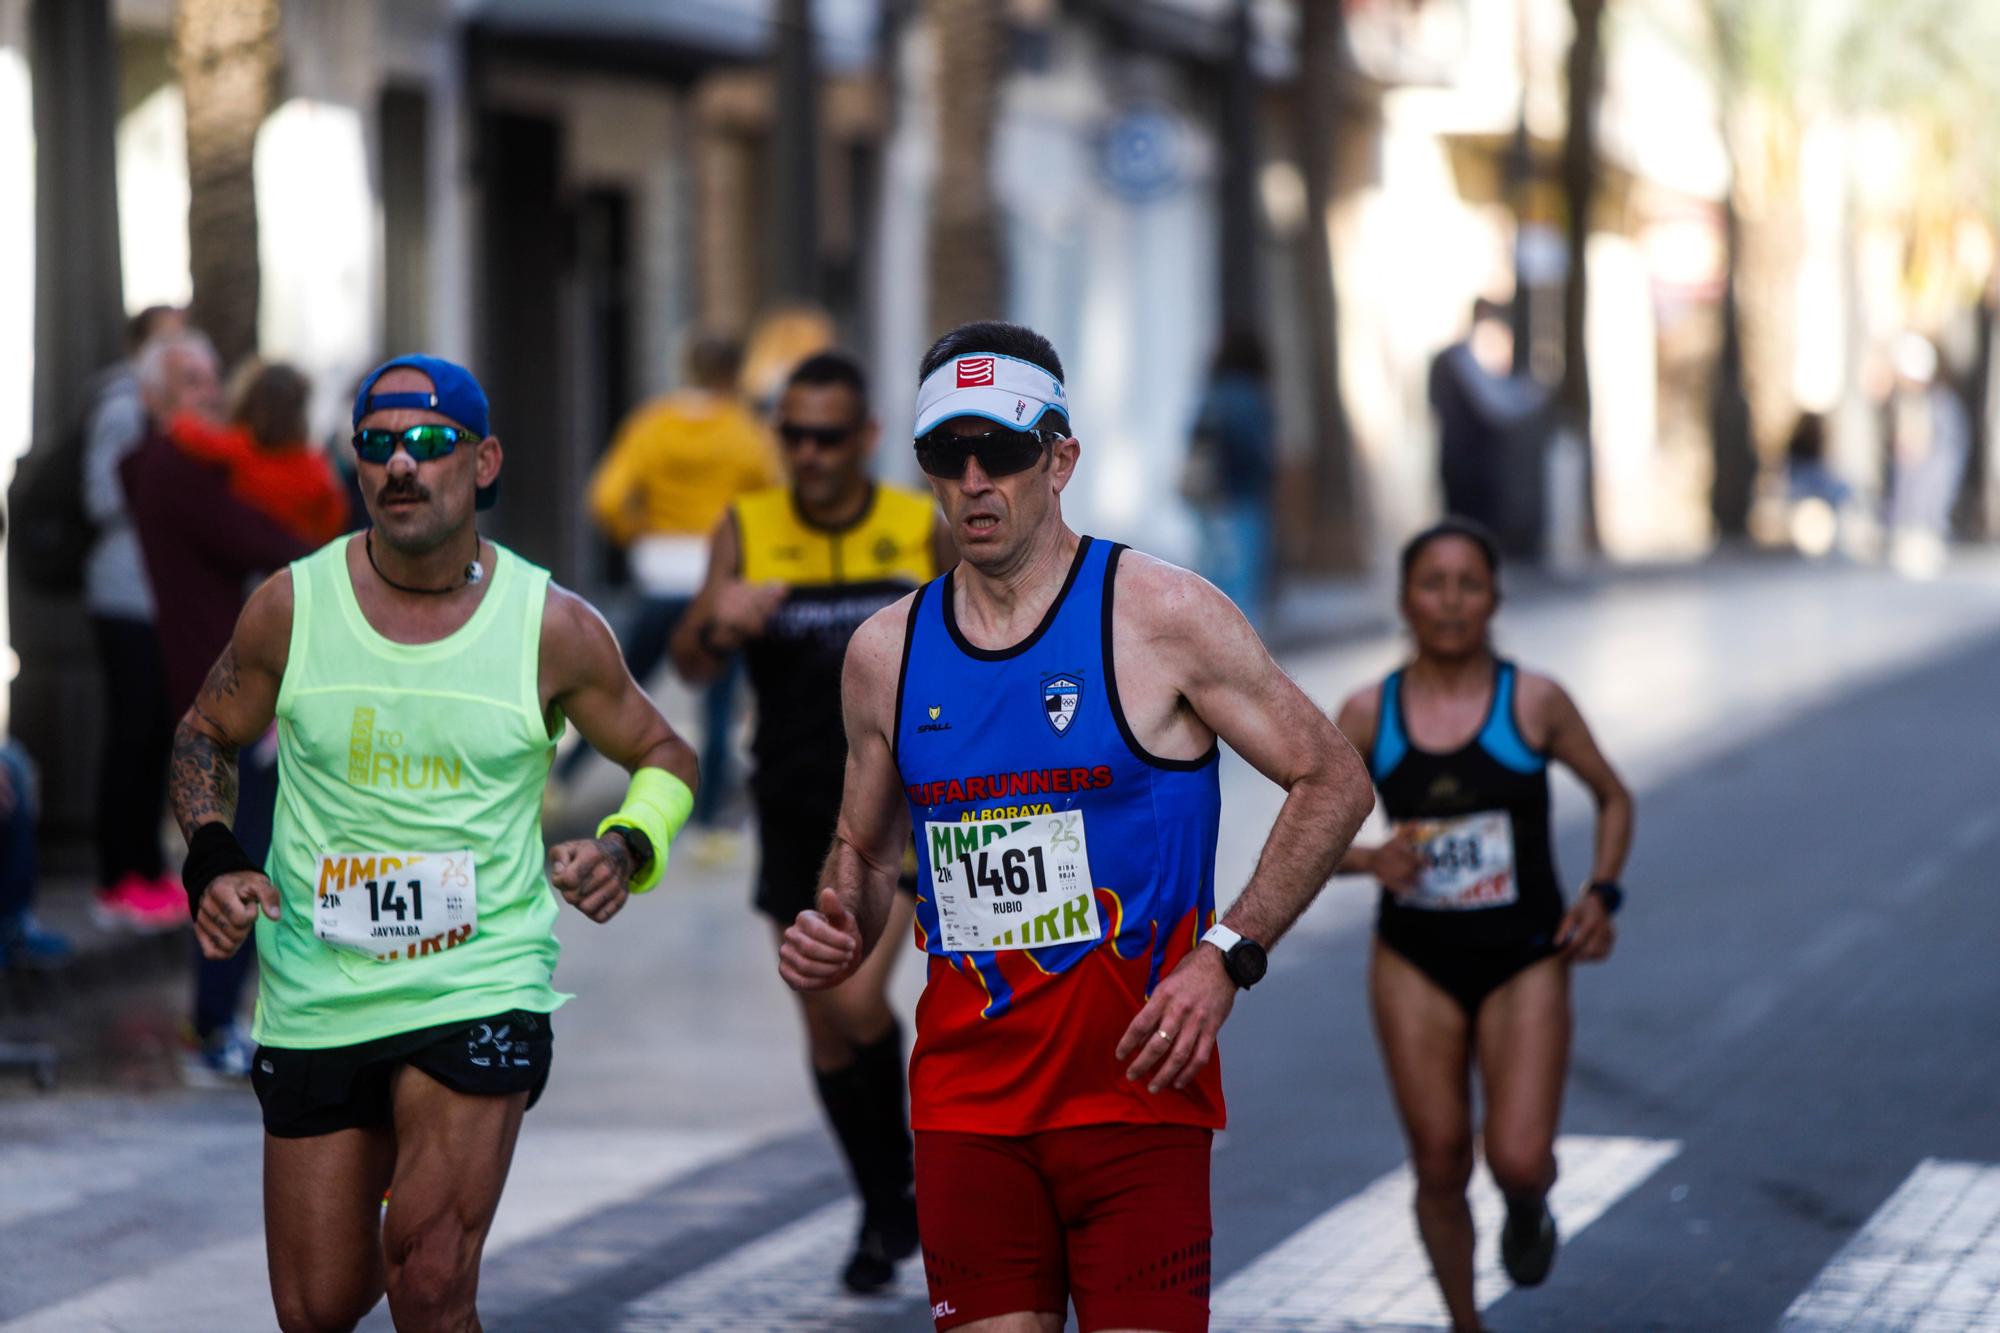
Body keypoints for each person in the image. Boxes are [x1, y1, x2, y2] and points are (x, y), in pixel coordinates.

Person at [780, 321, 1375, 1333]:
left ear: (1059, 459)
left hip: (1135, 1096)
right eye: (944, 455)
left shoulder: (1159, 615)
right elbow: (870, 849)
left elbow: (1330, 777)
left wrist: (1224, 955)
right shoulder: (886, 651)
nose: (972, 480)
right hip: (966, 1105)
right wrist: (838, 916)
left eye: (1001, 452)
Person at [167, 354, 700, 1331]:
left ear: (483, 461)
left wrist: (628, 844)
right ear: (355, 466)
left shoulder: (551, 626)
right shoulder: (292, 606)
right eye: (377, 445)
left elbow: (665, 752)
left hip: (478, 975)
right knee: (316, 1306)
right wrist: (214, 856)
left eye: (429, 443)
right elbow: (205, 731)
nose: (401, 465)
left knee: (430, 1279)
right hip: (318, 982)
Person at [670, 350, 953, 1293]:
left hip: (899, 816)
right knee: (826, 1033)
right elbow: (693, 664)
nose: (810, 453)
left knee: (854, 1000)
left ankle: (898, 1193)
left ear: (868, 438)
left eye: (829, 435)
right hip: (792, 811)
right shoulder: (745, 529)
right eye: (793, 434)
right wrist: (720, 619)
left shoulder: (918, 527)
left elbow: (980, 640)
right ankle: (886, 1205)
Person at [1331, 518, 1632, 1333]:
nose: (1452, 601)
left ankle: (1528, 1205)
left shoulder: (1534, 700)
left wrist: (1602, 893)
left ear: (1495, 598)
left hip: (1526, 954)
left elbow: (1613, 795)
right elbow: (1306, 835)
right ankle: (1467, 1323)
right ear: (1405, 600)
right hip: (1414, 958)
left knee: (1518, 1156)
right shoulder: (1367, 712)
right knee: (1438, 1158)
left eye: (1470, 584)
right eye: (1434, 583)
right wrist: (1369, 860)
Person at [125, 363, 328, 1079]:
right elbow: (267, 544)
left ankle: (223, 1019)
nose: (211, 398)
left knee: (252, 851)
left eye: (216, 381)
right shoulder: (177, 468)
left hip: (240, 688)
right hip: (228, 697)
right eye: (192, 383)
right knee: (238, 855)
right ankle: (212, 1025)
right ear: (156, 397)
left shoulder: (207, 467)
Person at [576, 336, 779, 822]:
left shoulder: (652, 425)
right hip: (718, 577)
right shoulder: (746, 432)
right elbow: (774, 500)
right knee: (719, 702)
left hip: (660, 570)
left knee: (619, 686)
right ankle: (709, 821)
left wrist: (638, 532)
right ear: (735, 374)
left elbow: (605, 498)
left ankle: (565, 779)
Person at [84, 309, 200, 931]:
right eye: (169, 335)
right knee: (131, 734)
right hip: (124, 594)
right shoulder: (122, 408)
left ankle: (147, 870)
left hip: (152, 596)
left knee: (156, 732)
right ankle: (116, 877)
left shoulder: (160, 413)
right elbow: (103, 496)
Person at [166, 361, 351, 544]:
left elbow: (183, 429)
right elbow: (334, 522)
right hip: (302, 558)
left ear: (249, 401)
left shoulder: (237, 448)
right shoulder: (316, 467)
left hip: (247, 557)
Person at [1428, 299, 1550, 557]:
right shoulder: (1460, 360)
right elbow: (1495, 406)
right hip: (1471, 465)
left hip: (1459, 460)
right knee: (1470, 524)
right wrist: (1530, 394)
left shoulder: (1453, 360)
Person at [1181, 329, 1277, 631]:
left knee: (1213, 578)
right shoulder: (1251, 396)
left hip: (1206, 499)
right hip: (1242, 497)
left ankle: (1209, 646)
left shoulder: (1212, 392)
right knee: (1242, 587)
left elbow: (1192, 439)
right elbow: (1254, 450)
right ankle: (1236, 655)